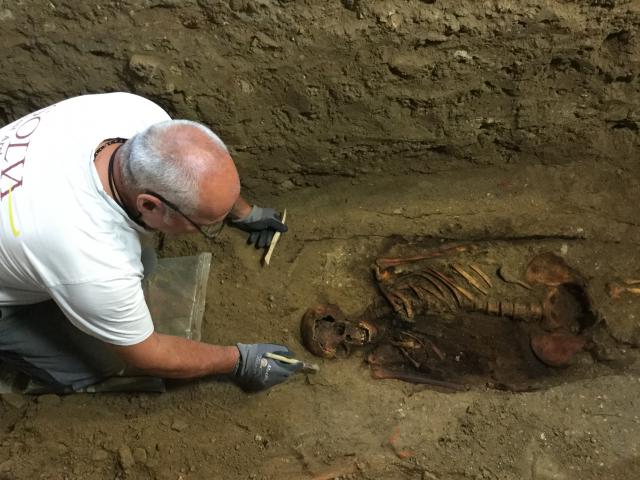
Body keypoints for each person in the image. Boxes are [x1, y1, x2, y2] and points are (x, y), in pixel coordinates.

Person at [0, 92, 300, 393]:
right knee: (99, 366)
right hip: (28, 270)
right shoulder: (95, 260)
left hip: (27, 230)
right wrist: (237, 360)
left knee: (141, 265)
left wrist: (244, 213)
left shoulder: (140, 118)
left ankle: (52, 287)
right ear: (150, 206)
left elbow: (205, 171)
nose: (208, 228)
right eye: (205, 225)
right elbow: (149, 355)